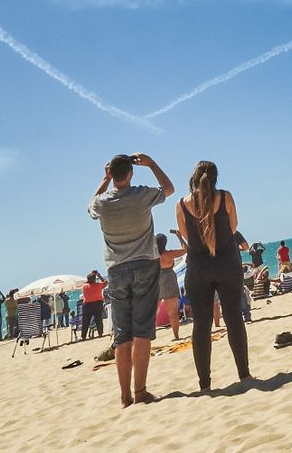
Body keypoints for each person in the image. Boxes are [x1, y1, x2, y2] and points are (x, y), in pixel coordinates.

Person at [88, 151, 174, 408]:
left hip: (116, 269)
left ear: (112, 174)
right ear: (131, 173)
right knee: (143, 331)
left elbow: (90, 204)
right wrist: (153, 163)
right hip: (145, 265)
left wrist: (104, 180)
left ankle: (124, 396)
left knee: (122, 334)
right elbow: (168, 189)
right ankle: (140, 391)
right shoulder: (141, 194)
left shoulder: (102, 203)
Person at [176, 160, 251, 394]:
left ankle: (205, 385)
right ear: (215, 177)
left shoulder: (181, 204)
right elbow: (233, 226)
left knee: (201, 325)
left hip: (198, 268)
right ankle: (244, 375)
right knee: (233, 319)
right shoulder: (226, 197)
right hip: (227, 263)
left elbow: (188, 236)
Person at [157, 233, 188, 341]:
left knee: (152, 312)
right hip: (169, 278)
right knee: (173, 312)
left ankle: (147, 337)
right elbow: (185, 249)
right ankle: (176, 335)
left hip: (156, 279)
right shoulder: (169, 254)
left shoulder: (153, 255)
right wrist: (180, 237)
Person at [80, 272, 106, 340]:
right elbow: (106, 282)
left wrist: (91, 276)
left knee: (85, 321)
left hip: (87, 305)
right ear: (95, 279)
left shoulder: (84, 286)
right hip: (97, 304)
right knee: (98, 320)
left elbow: (86, 282)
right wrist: (99, 275)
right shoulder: (98, 285)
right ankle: (100, 333)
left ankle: (83, 336)